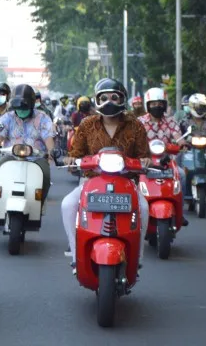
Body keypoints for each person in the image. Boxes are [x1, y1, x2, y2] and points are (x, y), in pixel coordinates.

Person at [61, 78, 152, 273]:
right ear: (97, 100)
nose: (109, 101)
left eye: (114, 97)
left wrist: (145, 162)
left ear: (123, 99)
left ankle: (138, 256)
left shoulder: (135, 125)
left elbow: (145, 155)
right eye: (104, 97)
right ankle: (77, 256)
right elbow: (76, 154)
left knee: (143, 208)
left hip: (127, 183)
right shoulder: (86, 124)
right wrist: (71, 160)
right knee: (68, 205)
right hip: (92, 181)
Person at [0, 84, 55, 203]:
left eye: (24, 107)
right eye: (18, 107)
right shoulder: (6, 118)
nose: (21, 110)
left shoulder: (43, 118)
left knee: (45, 175)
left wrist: (52, 152)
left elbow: (49, 141)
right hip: (10, 158)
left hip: (36, 159)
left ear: (32, 104)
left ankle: (39, 203)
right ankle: (1, 200)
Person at [138, 87, 189, 226]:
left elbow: (177, 136)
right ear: (148, 105)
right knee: (133, 179)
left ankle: (180, 211)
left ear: (165, 105)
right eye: (153, 104)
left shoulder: (171, 121)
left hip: (166, 161)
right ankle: (135, 211)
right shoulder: (140, 122)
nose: (157, 106)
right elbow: (134, 139)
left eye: (160, 103)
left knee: (182, 175)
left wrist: (182, 143)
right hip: (145, 161)